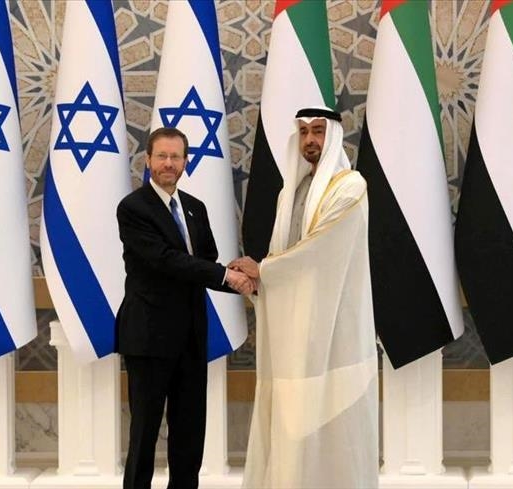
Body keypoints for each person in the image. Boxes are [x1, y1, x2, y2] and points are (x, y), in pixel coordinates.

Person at [234, 107, 379, 488]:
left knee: (333, 421)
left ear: (332, 137)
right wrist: (261, 282)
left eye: (318, 131)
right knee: (291, 418)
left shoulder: (350, 187)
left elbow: (319, 251)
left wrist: (263, 270)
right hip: (292, 325)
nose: (310, 140)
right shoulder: (292, 191)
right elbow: (285, 251)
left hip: (335, 328)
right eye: (303, 133)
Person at [116, 127, 254, 489]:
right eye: (161, 156)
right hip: (148, 337)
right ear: (147, 160)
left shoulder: (195, 208)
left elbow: (204, 262)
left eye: (175, 157)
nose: (168, 163)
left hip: (191, 337)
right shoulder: (133, 208)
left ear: (185, 162)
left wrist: (246, 278)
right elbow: (165, 260)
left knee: (190, 434)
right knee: (144, 433)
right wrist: (226, 276)